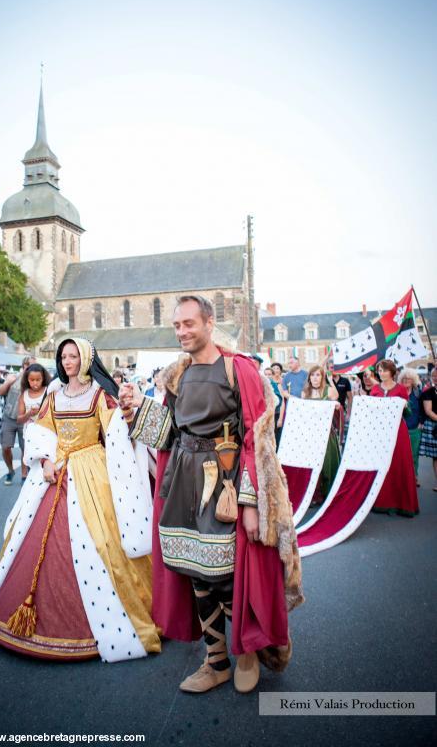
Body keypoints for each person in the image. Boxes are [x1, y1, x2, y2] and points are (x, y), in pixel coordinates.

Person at [119, 295, 303, 694]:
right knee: (195, 572)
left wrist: (251, 503)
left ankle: (247, 649)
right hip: (183, 483)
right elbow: (169, 434)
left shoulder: (240, 370)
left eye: (189, 323)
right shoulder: (175, 375)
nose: (183, 331)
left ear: (208, 322)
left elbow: (258, 438)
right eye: (177, 326)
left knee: (227, 573)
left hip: (226, 483)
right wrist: (136, 414)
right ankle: (216, 660)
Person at [0, 338, 161, 661]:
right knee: (35, 539)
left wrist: (127, 412)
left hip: (92, 471)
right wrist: (46, 461)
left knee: (102, 542)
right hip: (56, 471)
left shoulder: (99, 395)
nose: (67, 361)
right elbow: (40, 430)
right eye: (63, 356)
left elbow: (119, 431)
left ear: (86, 358)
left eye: (73, 356)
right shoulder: (54, 395)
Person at [370, 359, 419, 517]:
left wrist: (405, 406)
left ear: (392, 372)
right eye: (379, 370)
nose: (381, 373)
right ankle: (383, 502)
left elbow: (408, 412)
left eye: (384, 370)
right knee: (382, 466)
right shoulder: (375, 389)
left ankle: (401, 504)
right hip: (380, 433)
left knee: (399, 465)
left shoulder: (400, 389)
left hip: (398, 432)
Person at [301, 365, 340, 500]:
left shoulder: (328, 390)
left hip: (326, 433)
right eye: (312, 375)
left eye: (318, 375)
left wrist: (330, 379)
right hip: (311, 433)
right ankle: (313, 495)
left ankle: (328, 493)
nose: (315, 378)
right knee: (311, 464)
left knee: (327, 463)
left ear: (322, 377)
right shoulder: (305, 392)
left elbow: (336, 397)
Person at [0, 356, 33, 485]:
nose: (32, 369)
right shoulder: (14, 378)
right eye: (29, 366)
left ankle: (24, 474)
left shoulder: (36, 380)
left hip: (26, 419)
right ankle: (10, 470)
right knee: (6, 447)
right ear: (24, 366)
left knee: (25, 448)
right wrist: (7, 382)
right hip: (9, 417)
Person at [398, 367, 424, 483]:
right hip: (400, 428)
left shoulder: (418, 393)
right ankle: (403, 477)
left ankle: (414, 476)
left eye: (408, 379)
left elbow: (424, 409)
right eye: (404, 379)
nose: (406, 381)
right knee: (401, 455)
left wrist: (421, 422)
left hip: (415, 428)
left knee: (414, 454)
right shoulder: (398, 393)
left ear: (413, 380)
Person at [16, 363, 50, 434]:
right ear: (27, 379)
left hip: (46, 433)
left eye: (38, 380)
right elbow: (19, 420)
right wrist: (29, 414)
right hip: (29, 436)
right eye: (32, 380)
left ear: (43, 379)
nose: (35, 383)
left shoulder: (49, 391)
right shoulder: (24, 395)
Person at [419, 366, 437, 491]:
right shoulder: (427, 393)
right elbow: (428, 411)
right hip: (434, 425)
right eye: (433, 376)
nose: (435, 378)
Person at [270, 362, 286, 442]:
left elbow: (282, 401)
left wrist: (280, 419)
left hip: (279, 412)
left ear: (280, 371)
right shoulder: (269, 382)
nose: (275, 370)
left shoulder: (282, 382)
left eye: (277, 368)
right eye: (273, 368)